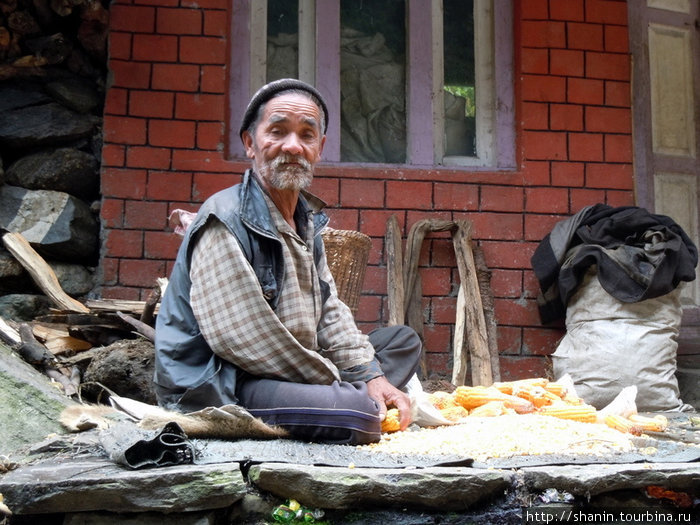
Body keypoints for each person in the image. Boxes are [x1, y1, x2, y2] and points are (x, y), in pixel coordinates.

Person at [154, 78, 422, 445]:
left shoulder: (305, 219)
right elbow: (246, 343)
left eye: (306, 135)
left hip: (291, 363)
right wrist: (340, 380)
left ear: (319, 147)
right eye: (278, 131)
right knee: (356, 414)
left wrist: (370, 373)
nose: (293, 146)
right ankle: (349, 399)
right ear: (250, 143)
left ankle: (353, 392)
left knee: (402, 341)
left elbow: (329, 308)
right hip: (227, 381)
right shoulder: (224, 219)